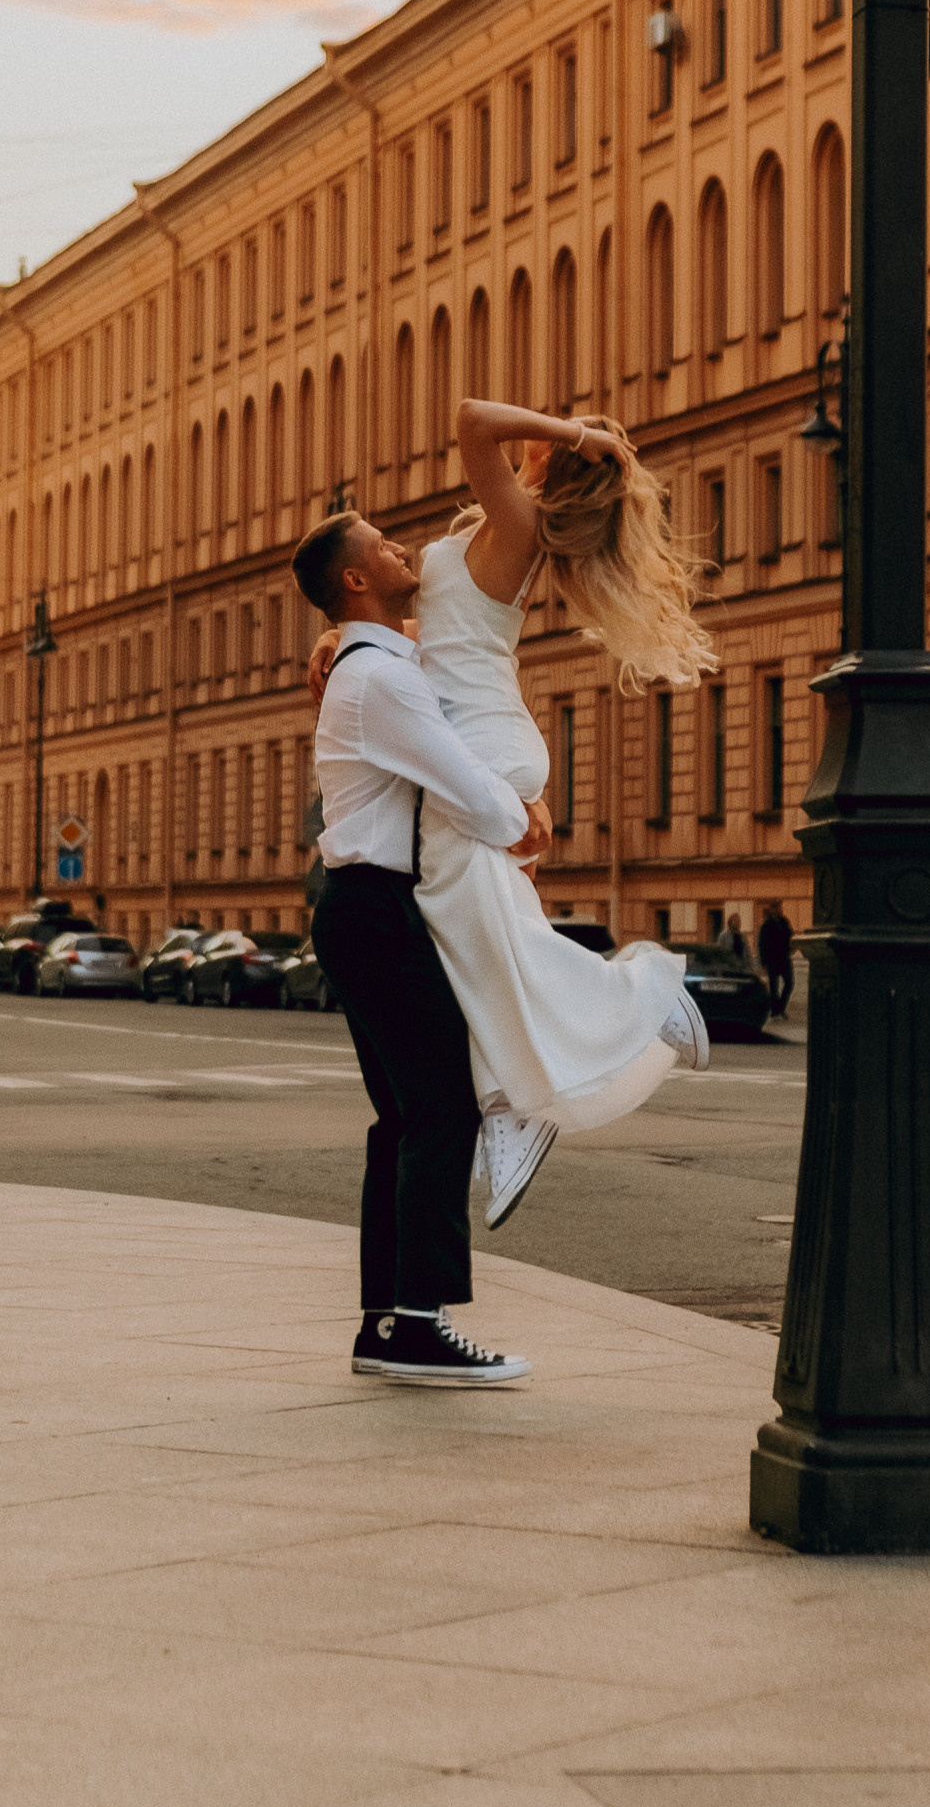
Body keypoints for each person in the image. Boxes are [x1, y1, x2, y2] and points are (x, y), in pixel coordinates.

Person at [308, 400, 718, 1227]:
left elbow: (464, 417)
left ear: (552, 457)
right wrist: (348, 636)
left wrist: (585, 437)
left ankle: (640, 1000)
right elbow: (454, 634)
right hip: (480, 736)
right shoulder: (498, 534)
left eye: (558, 427)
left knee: (483, 935)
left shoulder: (518, 516)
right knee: (475, 940)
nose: (541, 426)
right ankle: (514, 1101)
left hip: (483, 746)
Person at [297, 509, 547, 1389]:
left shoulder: (375, 665)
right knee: (441, 1107)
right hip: (375, 907)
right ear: (355, 580)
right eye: (382, 545)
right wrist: (523, 818)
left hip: (363, 906)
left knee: (404, 1119)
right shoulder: (382, 682)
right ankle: (418, 1321)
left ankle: (386, 1322)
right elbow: (465, 785)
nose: (400, 548)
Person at [758, 900, 794, 1020]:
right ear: (773, 909)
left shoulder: (784, 922)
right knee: (774, 987)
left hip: (784, 958)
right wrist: (763, 962)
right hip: (772, 959)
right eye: (778, 907)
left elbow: (790, 934)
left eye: (781, 907)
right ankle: (775, 1010)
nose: (781, 909)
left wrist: (791, 947)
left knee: (789, 983)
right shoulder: (766, 925)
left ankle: (779, 1007)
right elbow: (762, 944)